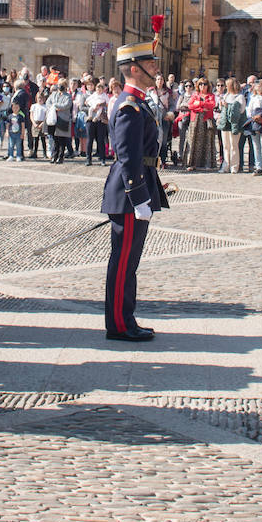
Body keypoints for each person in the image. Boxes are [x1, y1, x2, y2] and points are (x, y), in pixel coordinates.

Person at [101, 40, 169, 341]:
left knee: (130, 263)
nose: (155, 67)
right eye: (150, 63)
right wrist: (139, 195)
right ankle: (118, 324)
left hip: (136, 190)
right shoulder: (129, 105)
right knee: (123, 262)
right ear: (133, 68)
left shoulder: (138, 101)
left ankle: (125, 319)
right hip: (129, 194)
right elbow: (127, 157)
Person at [184, 78, 218, 170]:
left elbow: (212, 105)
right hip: (195, 121)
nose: (202, 86)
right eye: (200, 84)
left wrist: (198, 104)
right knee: (193, 141)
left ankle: (206, 163)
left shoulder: (211, 95)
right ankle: (192, 163)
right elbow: (190, 105)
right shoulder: (195, 95)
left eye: (205, 84)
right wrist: (202, 108)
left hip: (206, 121)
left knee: (207, 141)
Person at [215, 78, 247, 173]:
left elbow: (241, 111)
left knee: (234, 145)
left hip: (235, 124)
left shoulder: (240, 97)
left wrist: (228, 106)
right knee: (225, 145)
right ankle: (226, 165)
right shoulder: (226, 96)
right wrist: (222, 105)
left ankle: (234, 166)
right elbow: (222, 109)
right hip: (225, 123)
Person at [46, 83, 73, 164]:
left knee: (62, 140)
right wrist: (53, 107)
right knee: (55, 139)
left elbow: (66, 105)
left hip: (63, 119)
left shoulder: (68, 96)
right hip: (53, 119)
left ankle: (60, 157)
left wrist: (56, 106)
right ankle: (54, 156)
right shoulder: (53, 94)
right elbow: (48, 103)